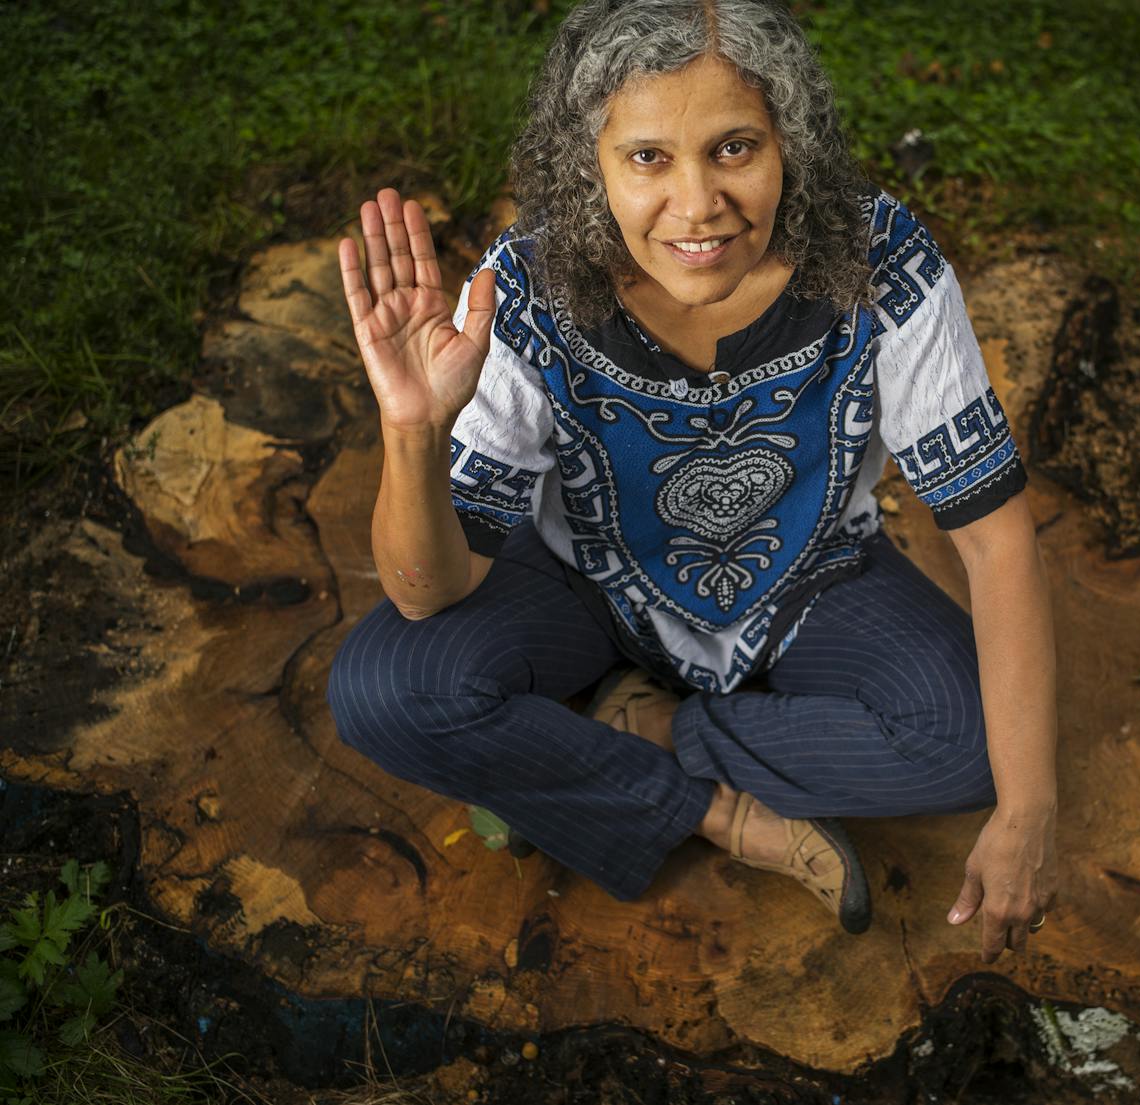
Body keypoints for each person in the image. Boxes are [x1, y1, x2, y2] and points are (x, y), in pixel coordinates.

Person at [328, 0, 1057, 951]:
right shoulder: (530, 288)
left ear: (789, 140)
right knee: (386, 687)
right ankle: (719, 812)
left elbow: (995, 537)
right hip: (582, 586)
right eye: (646, 158)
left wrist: (1032, 805)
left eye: (735, 148)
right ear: (588, 158)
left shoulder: (883, 264)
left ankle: (639, 729)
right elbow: (428, 596)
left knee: (971, 741)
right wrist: (413, 429)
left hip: (809, 581)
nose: (697, 204)